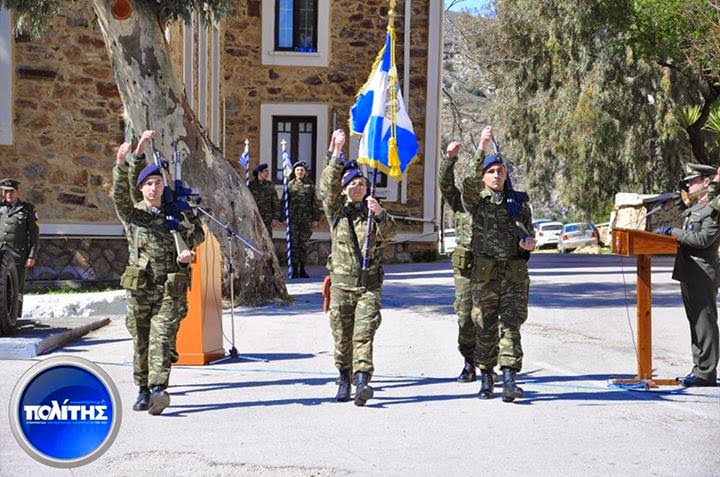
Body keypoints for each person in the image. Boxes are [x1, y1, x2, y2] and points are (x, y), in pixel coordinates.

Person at [112, 130, 205, 415]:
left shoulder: (175, 212)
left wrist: (188, 248)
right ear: (140, 188)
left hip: (169, 287)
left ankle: (157, 389)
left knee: (161, 335)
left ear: (164, 186)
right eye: (148, 184)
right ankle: (142, 389)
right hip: (141, 287)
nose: (153, 188)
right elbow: (119, 196)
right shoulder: (134, 215)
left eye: (157, 183)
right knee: (141, 339)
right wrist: (123, 162)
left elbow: (198, 233)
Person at [320, 129, 397, 406]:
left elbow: (390, 234)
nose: (358, 187)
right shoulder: (337, 212)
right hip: (341, 286)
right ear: (344, 189)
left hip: (368, 285)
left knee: (363, 333)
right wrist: (336, 153)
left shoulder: (373, 212)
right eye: (352, 184)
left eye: (362, 183)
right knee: (342, 335)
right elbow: (326, 188)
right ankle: (344, 378)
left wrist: (379, 213)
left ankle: (362, 380)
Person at [460, 125, 536, 402]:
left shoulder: (517, 204)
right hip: (486, 275)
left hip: (514, 273)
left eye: (500, 171)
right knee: (485, 327)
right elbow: (467, 183)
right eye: (491, 172)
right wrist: (482, 146)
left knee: (511, 326)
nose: (496, 175)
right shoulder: (476, 203)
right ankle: (486, 377)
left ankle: (510, 379)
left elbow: (529, 233)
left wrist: (528, 243)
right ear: (484, 177)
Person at [660, 164, 719, 387]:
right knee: (695, 323)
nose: (688, 185)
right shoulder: (696, 208)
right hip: (689, 272)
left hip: (703, 273)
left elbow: (703, 239)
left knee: (704, 324)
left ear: (706, 181)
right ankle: (699, 368)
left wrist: (673, 232)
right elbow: (682, 211)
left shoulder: (714, 209)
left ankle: (706, 372)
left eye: (692, 181)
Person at [439, 142, 478, 383]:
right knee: (465, 317)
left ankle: (489, 364)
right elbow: (445, 184)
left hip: (491, 268)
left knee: (489, 318)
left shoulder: (492, 203)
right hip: (465, 270)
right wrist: (449, 159)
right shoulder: (460, 203)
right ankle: (469, 361)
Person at [0, 178, 39, 320]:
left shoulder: (27, 209)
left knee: (16, 289)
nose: (8, 194)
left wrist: (31, 255)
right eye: (5, 191)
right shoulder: (0, 208)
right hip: (1, 256)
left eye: (11, 191)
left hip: (18, 256)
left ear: (17, 192)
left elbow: (34, 235)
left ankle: (15, 318)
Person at [284, 159, 320, 278]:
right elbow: (284, 201)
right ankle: (294, 270)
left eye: (302, 170)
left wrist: (316, 218)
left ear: (305, 172)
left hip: (306, 219)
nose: (300, 172)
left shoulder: (310, 185)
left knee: (304, 244)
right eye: (298, 170)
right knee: (294, 244)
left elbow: (314, 202)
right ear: (294, 172)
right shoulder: (289, 185)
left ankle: (302, 269)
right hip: (293, 219)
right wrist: (283, 217)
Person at [248, 163, 282, 236]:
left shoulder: (270, 185)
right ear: (259, 173)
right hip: (254, 216)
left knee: (267, 237)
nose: (267, 173)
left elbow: (275, 202)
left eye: (268, 171)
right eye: (265, 171)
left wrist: (275, 218)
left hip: (267, 218)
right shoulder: (250, 185)